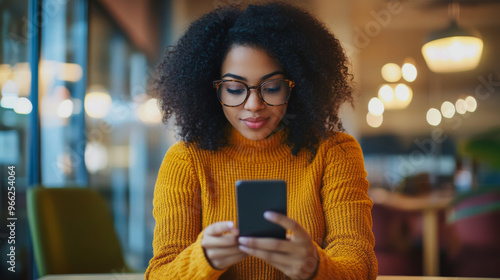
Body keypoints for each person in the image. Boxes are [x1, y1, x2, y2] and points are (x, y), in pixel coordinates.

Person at [145, 3, 377, 279]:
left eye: (272, 87)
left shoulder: (335, 152)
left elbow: (359, 264)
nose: (254, 105)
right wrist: (202, 258)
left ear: (298, 85)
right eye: (234, 89)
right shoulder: (185, 160)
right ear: (212, 88)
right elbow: (160, 273)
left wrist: (315, 265)